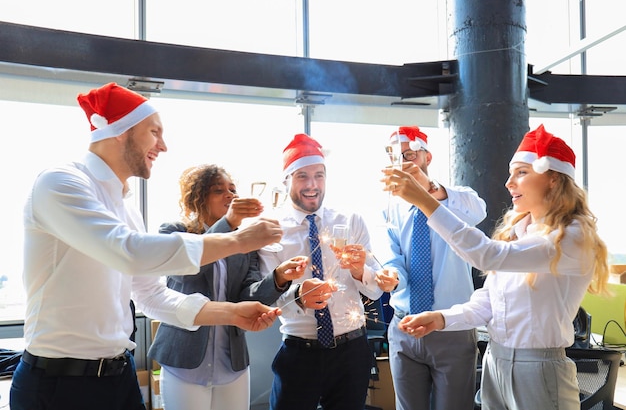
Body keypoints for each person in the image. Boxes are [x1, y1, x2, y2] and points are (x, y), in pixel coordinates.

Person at [10, 82, 283, 410]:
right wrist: (237, 240)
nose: (163, 146)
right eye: (154, 132)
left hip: (118, 377)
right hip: (59, 385)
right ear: (120, 131)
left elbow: (151, 295)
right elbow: (128, 252)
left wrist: (230, 313)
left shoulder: (126, 206)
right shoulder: (61, 182)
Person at [382, 124, 610, 410]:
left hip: (538, 367)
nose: (509, 183)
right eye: (510, 173)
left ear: (553, 178)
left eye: (521, 173)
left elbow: (486, 255)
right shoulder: (518, 231)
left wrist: (425, 201)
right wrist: (441, 318)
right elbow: (487, 303)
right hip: (495, 361)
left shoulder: (571, 237)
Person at [258, 134, 396, 410]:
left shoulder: (351, 221)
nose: (312, 185)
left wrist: (359, 271)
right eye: (302, 176)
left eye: (319, 176)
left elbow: (374, 289)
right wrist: (298, 297)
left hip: (351, 351)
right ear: (286, 181)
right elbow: (267, 299)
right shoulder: (271, 230)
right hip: (299, 352)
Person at [148, 164, 301, 410]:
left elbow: (247, 296)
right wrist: (229, 225)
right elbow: (185, 275)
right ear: (198, 198)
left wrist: (278, 277)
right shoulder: (175, 232)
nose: (230, 195)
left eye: (232, 189)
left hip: (232, 364)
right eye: (219, 190)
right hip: (184, 363)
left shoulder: (245, 244)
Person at [380, 125, 487, 410]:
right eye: (395, 157)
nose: (402, 162)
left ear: (427, 157)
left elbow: (479, 210)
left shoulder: (455, 198)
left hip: (451, 327)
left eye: (409, 155)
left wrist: (428, 190)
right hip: (403, 326)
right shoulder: (390, 209)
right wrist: (391, 277)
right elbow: (394, 259)